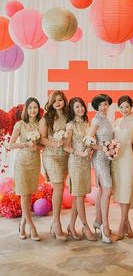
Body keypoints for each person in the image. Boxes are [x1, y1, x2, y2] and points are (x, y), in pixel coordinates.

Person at [9, 97, 42, 241]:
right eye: (30, 108)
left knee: (28, 195)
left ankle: (22, 226)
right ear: (26, 110)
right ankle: (31, 226)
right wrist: (26, 144)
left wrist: (37, 146)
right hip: (22, 162)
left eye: (35, 107)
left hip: (34, 162)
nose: (32, 110)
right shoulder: (20, 124)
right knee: (23, 194)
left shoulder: (40, 125)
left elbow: (42, 145)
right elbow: (11, 145)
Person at [64, 97, 96, 241]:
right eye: (77, 107)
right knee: (78, 196)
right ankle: (85, 226)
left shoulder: (87, 124)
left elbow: (91, 142)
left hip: (85, 163)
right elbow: (66, 146)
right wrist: (79, 153)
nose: (80, 109)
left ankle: (71, 225)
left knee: (80, 195)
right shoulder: (70, 125)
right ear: (72, 109)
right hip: (76, 162)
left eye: (82, 106)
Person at [39, 90, 69, 240]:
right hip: (51, 155)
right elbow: (42, 139)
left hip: (66, 156)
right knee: (58, 187)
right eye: (55, 100)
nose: (58, 103)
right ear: (51, 103)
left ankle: (54, 223)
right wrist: (56, 143)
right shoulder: (46, 118)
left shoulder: (69, 117)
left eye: (60, 100)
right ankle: (56, 223)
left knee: (61, 186)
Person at [112, 95, 133, 241]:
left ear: (132, 107)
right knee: (120, 192)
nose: (124, 109)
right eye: (121, 107)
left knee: (126, 190)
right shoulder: (116, 121)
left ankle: (120, 228)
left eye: (127, 107)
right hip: (116, 159)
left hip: (128, 159)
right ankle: (127, 225)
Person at [89, 93, 113, 243]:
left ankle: (98, 221)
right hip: (99, 158)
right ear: (97, 107)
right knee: (108, 189)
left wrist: (111, 148)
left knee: (104, 191)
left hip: (109, 157)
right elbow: (89, 142)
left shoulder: (107, 119)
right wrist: (102, 148)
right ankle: (105, 226)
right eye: (101, 105)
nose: (104, 107)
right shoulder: (97, 119)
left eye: (106, 104)